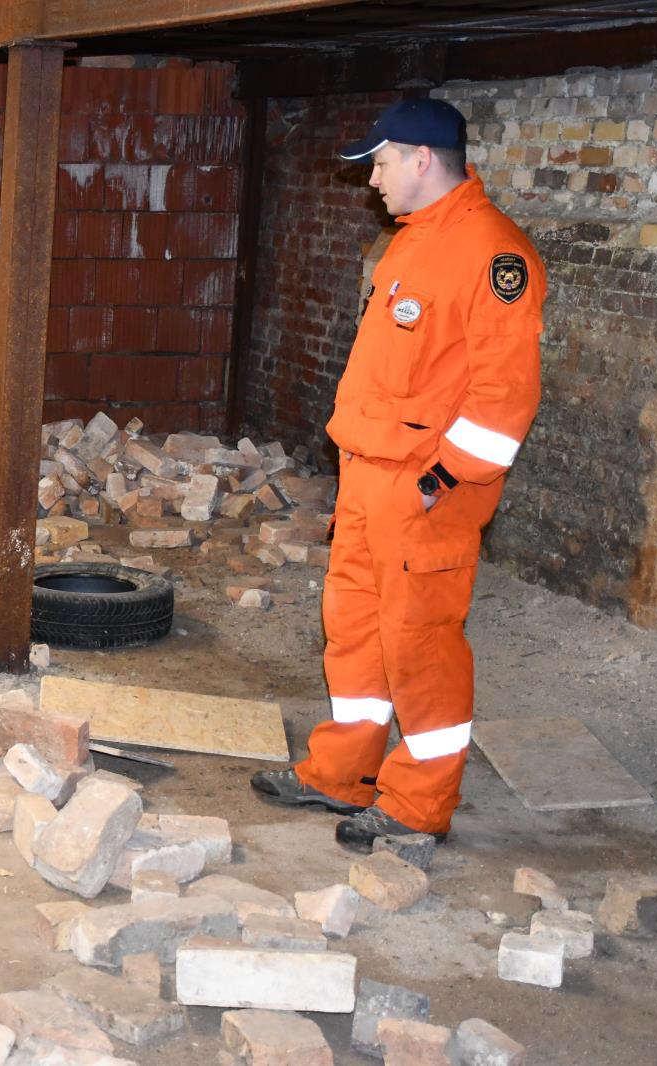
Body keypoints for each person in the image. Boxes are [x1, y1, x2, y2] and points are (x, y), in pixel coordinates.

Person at [251, 98, 547, 852]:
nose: (372, 181)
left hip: (425, 491)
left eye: (380, 163)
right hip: (369, 476)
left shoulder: (493, 254)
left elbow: (505, 395)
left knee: (421, 644)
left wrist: (442, 479)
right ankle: (339, 773)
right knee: (353, 632)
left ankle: (418, 803)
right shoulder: (412, 243)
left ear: (421, 159)